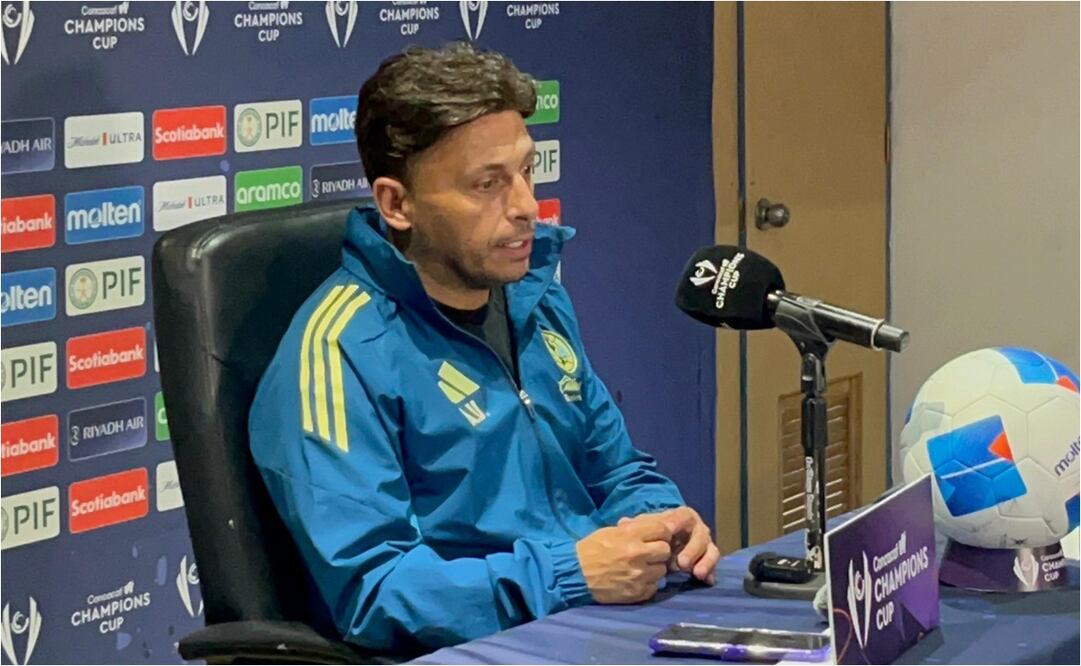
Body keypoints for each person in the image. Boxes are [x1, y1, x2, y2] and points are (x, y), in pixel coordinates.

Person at [248, 42, 720, 655]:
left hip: (592, 625)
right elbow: (375, 590)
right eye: (487, 184)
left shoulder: (532, 297)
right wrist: (569, 573)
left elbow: (616, 468)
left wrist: (662, 522)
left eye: (526, 171)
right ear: (398, 204)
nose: (526, 206)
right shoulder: (340, 350)